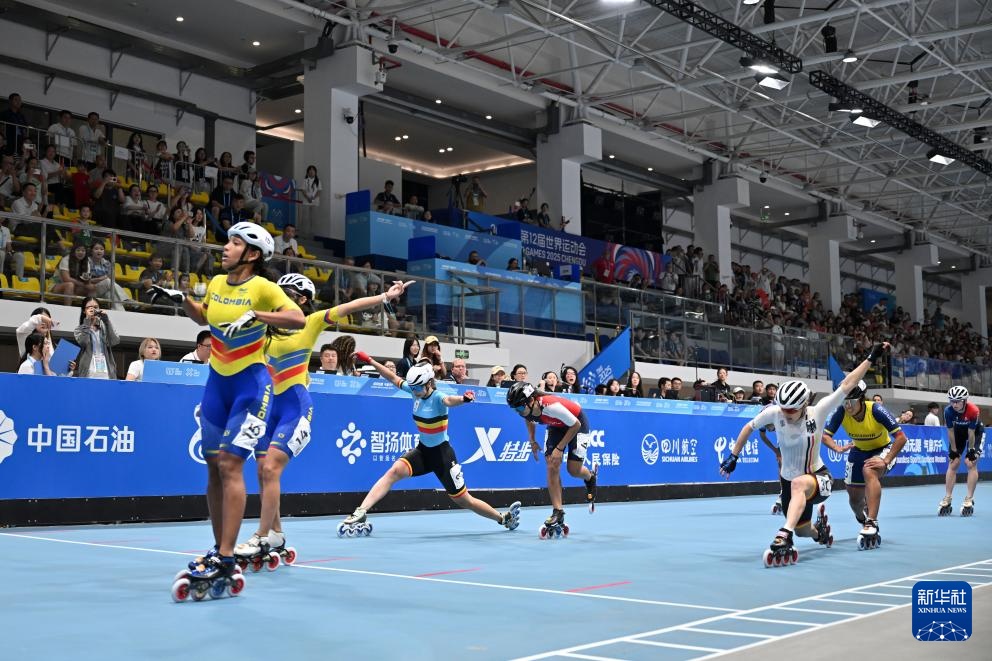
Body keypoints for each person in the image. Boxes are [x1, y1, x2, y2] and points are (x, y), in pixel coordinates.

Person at [152, 221, 305, 598]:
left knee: (230, 464)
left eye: (234, 243)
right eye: (228, 241)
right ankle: (219, 549)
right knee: (212, 467)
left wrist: (258, 315)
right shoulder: (219, 283)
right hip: (216, 385)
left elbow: (297, 318)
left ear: (251, 254)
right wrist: (182, 300)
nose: (225, 247)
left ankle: (226, 556)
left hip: (250, 386)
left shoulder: (264, 288)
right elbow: (204, 317)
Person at [234, 274, 414, 562]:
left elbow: (349, 307)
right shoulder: (264, 330)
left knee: (270, 469)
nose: (278, 297)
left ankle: (260, 536)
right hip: (267, 410)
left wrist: (385, 297)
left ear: (302, 299)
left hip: (294, 408)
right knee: (262, 473)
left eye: (286, 293)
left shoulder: (310, 323)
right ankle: (276, 534)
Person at [719, 342, 890, 566]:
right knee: (802, 530)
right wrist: (734, 456)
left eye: (790, 410)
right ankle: (820, 533)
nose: (785, 413)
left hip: (818, 478)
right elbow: (748, 427)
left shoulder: (818, 412)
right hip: (788, 483)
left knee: (798, 485)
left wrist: (871, 357)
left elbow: (848, 383)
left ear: (803, 405)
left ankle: (783, 534)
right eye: (783, 408)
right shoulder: (774, 412)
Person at [338, 360, 521, 535]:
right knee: (394, 472)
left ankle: (503, 518)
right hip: (423, 451)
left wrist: (463, 399)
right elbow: (393, 377)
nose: (414, 391)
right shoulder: (414, 391)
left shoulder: (438, 398)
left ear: (429, 383)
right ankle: (361, 511)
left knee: (465, 500)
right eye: (413, 388)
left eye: (418, 388)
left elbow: (450, 400)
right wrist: (370, 361)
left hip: (442, 456)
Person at [821, 379, 908, 548]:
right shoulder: (841, 411)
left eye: (851, 401)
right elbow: (825, 436)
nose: (848, 406)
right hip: (858, 451)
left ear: (861, 399)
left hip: (883, 449)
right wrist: (837, 448)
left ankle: (872, 521)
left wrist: (886, 460)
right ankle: (863, 520)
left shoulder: (876, 410)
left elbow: (901, 438)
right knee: (854, 500)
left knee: (869, 470)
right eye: (844, 401)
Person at [506, 381, 598, 536]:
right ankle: (558, 511)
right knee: (551, 464)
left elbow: (575, 425)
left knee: (573, 470)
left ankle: (590, 477)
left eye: (520, 408)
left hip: (577, 423)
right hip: (556, 425)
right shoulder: (526, 408)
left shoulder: (550, 406)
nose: (518, 412)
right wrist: (532, 440)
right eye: (515, 409)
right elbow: (528, 417)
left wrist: (560, 448)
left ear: (531, 400)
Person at [938, 386, 984, 517]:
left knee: (970, 463)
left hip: (975, 433)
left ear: (965, 401)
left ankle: (969, 498)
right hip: (958, 433)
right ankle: (947, 497)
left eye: (957, 401)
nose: (954, 404)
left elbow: (971, 433)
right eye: (952, 401)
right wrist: (953, 451)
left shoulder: (973, 410)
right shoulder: (948, 411)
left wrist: (971, 450)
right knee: (954, 463)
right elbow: (950, 431)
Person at [73, 297, 120, 379]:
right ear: (84, 311)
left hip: (106, 372)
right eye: (89, 307)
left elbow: (115, 341)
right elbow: (83, 342)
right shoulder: (79, 329)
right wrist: (87, 321)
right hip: (88, 372)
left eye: (95, 307)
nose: (93, 310)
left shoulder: (104, 327)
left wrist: (107, 321)